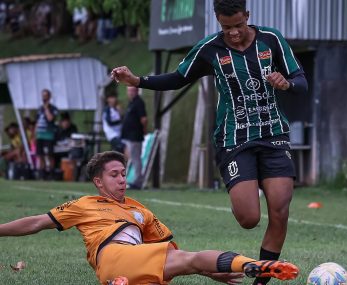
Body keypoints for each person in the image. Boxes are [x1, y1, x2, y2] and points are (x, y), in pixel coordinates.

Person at [111, 1, 308, 284]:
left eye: (239, 25)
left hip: (273, 135)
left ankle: (262, 280)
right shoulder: (210, 48)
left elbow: (301, 82)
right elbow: (178, 78)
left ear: (248, 17)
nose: (234, 33)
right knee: (248, 218)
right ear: (218, 21)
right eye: (226, 27)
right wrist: (138, 80)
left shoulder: (271, 39)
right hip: (234, 138)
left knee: (280, 209)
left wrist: (286, 83)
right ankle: (243, 189)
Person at [0, 151, 299, 285]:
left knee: (180, 262)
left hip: (134, 265)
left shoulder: (140, 210)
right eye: (114, 175)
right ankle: (255, 265)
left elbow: (177, 256)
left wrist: (211, 273)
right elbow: (36, 222)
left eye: (123, 174)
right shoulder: (85, 204)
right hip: (112, 256)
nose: (122, 180)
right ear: (98, 182)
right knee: (192, 259)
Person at [121, 86, 147, 189]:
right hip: (129, 137)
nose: (130, 93)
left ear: (136, 91)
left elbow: (144, 119)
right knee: (132, 158)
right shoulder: (131, 103)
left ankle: (138, 181)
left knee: (136, 159)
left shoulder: (139, 102)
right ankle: (133, 179)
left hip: (135, 136)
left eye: (132, 90)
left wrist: (143, 130)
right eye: (128, 91)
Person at [35, 89, 59, 179]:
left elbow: (50, 119)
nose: (44, 97)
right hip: (40, 135)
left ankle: (51, 173)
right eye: (43, 95)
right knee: (40, 154)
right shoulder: (39, 109)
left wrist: (46, 108)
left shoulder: (52, 108)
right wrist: (35, 133)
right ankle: (41, 173)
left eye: (45, 96)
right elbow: (37, 122)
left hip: (48, 135)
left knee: (49, 155)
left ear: (49, 97)